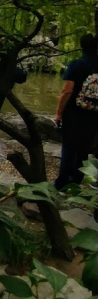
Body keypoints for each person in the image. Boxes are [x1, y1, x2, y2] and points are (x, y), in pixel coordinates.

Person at [53, 34, 98, 190]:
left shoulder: (77, 64)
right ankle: (77, 181)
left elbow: (67, 91)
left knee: (69, 147)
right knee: (84, 148)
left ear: (82, 46)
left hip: (74, 111)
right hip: (94, 113)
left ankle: (62, 182)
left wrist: (59, 113)